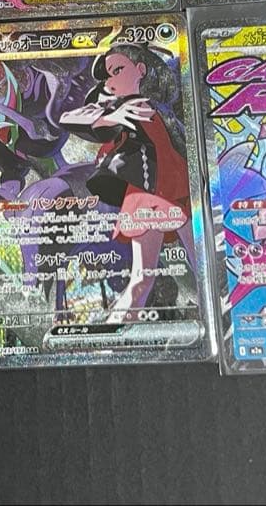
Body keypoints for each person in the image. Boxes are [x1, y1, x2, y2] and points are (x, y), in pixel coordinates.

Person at [59, 44, 190, 322]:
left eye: (117, 70)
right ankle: (113, 334)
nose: (110, 81)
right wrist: (110, 117)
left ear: (141, 70)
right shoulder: (119, 108)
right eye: (108, 76)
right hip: (148, 195)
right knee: (142, 279)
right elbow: (68, 117)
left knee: (205, 265)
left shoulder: (160, 107)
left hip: (180, 191)